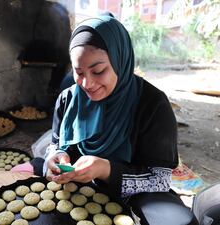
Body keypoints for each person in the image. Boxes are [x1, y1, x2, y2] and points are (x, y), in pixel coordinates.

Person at [13, 14, 198, 225]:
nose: (87, 83)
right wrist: (56, 156)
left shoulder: (152, 105)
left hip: (131, 190)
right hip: (72, 181)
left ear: (120, 60)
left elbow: (160, 179)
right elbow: (56, 144)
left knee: (176, 220)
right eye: (78, 71)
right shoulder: (69, 98)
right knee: (17, 175)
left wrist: (106, 169)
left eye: (98, 71)